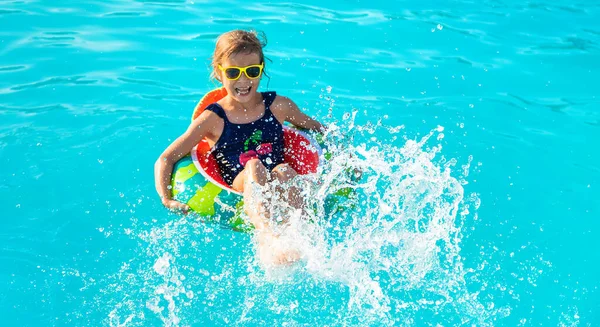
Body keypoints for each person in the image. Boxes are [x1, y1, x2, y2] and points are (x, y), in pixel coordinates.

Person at [154, 30, 324, 266]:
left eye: (252, 72)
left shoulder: (279, 106)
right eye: (233, 73)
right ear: (219, 72)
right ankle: (269, 238)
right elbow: (166, 158)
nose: (243, 81)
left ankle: (303, 236)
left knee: (284, 170)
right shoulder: (212, 119)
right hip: (240, 179)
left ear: (262, 69)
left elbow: (317, 129)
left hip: (277, 174)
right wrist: (167, 199)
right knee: (255, 166)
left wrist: (345, 155)